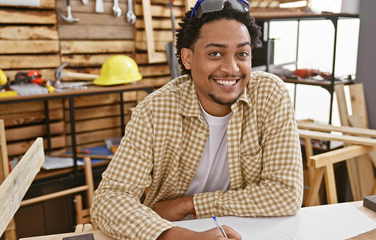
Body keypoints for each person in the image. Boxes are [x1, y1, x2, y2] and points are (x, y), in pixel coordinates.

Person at [91, 0, 303, 239]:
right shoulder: (155, 111)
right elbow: (109, 199)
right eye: (215, 53)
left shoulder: (269, 95)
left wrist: (189, 204)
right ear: (188, 58)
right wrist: (183, 236)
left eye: (242, 54)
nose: (232, 68)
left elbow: (286, 194)